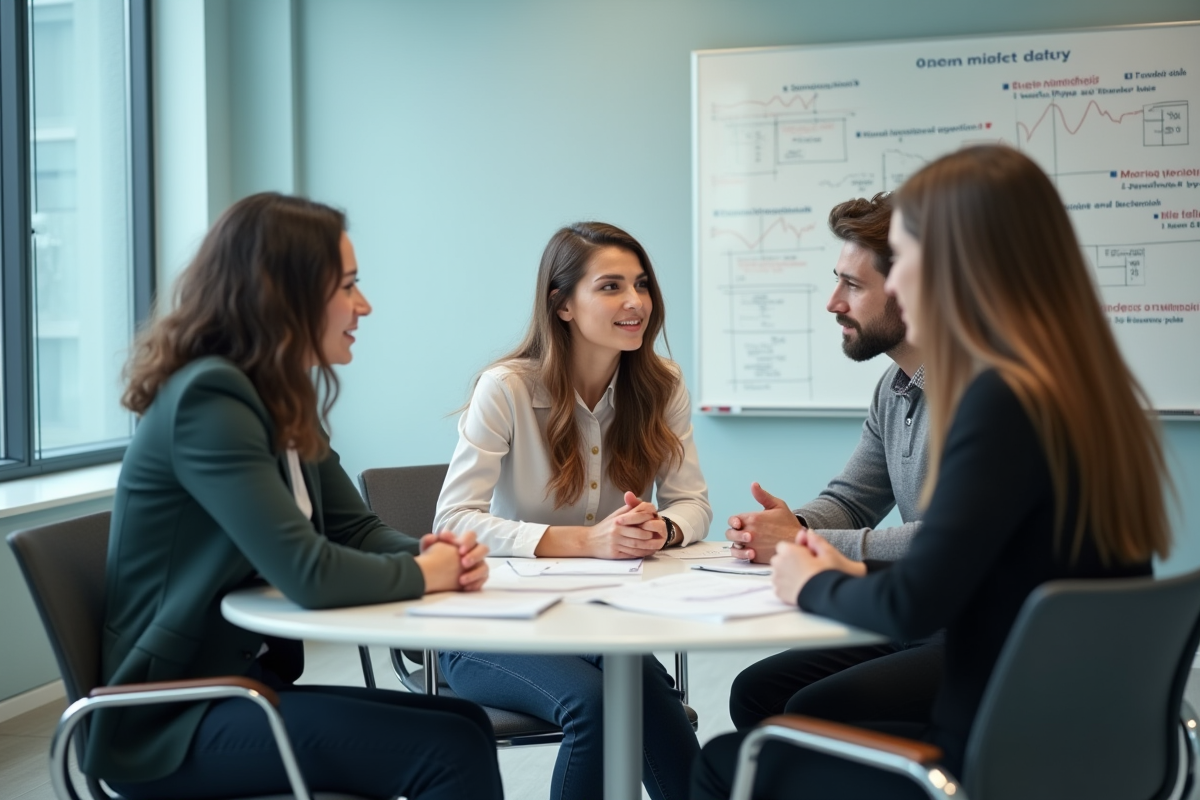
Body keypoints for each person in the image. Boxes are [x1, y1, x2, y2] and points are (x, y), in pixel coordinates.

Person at [692, 144, 1172, 799]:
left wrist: (809, 576)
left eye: (905, 258)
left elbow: (914, 599)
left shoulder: (1000, 400)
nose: (894, 283)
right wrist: (806, 535)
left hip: (987, 751)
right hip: (1072, 735)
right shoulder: (1077, 385)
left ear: (954, 267)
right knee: (770, 703)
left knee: (729, 760)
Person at [87, 193, 505, 800]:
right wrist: (425, 576)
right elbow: (308, 574)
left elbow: (354, 531)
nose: (364, 305)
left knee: (462, 722)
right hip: (166, 719)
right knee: (451, 747)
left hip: (237, 684)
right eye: (348, 287)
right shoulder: (211, 399)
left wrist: (431, 555)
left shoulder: (278, 396)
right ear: (284, 293)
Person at [433, 221, 712, 800]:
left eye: (641, 285)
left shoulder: (663, 387)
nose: (635, 302)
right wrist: (587, 542)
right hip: (492, 624)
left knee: (651, 707)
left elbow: (692, 502)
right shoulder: (506, 388)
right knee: (600, 707)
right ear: (562, 304)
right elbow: (453, 519)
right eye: (610, 286)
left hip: (599, 622)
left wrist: (662, 528)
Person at [725, 192, 943, 731]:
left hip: (973, 627)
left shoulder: (978, 397)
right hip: (920, 616)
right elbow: (850, 500)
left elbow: (945, 538)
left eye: (852, 285)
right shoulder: (894, 389)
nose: (833, 302)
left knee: (808, 711)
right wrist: (790, 525)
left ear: (908, 288)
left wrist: (806, 545)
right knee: (757, 692)